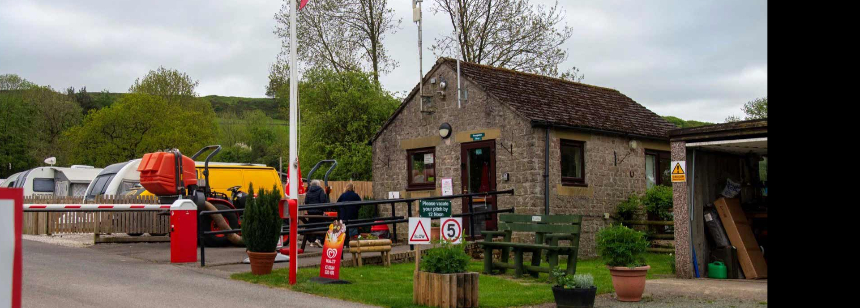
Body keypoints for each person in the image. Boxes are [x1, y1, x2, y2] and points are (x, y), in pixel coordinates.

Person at [303, 179, 330, 248]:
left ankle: (312, 241)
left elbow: (306, 201)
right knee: (322, 225)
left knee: (311, 226)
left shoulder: (308, 191)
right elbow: (322, 201)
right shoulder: (320, 190)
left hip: (310, 213)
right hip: (319, 212)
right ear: (318, 184)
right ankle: (318, 239)